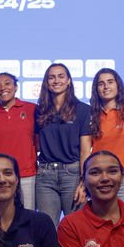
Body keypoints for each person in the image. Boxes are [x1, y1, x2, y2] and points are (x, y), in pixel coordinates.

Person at [35, 63, 92, 226]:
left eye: (61, 76)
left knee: (77, 227)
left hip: (72, 174)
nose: (56, 81)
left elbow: (85, 150)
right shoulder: (39, 111)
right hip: (45, 175)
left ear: (68, 81)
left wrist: (83, 182)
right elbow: (36, 144)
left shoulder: (83, 110)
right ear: (46, 82)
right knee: (47, 229)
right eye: (51, 77)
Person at [0, 72, 38, 210]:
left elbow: (38, 139)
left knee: (27, 216)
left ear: (16, 87)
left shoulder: (32, 109)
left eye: (7, 83)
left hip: (27, 175)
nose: (2, 88)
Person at [89, 68, 124, 205]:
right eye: (101, 84)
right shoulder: (91, 114)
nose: (106, 87)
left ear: (118, 85)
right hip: (100, 176)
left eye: (110, 82)